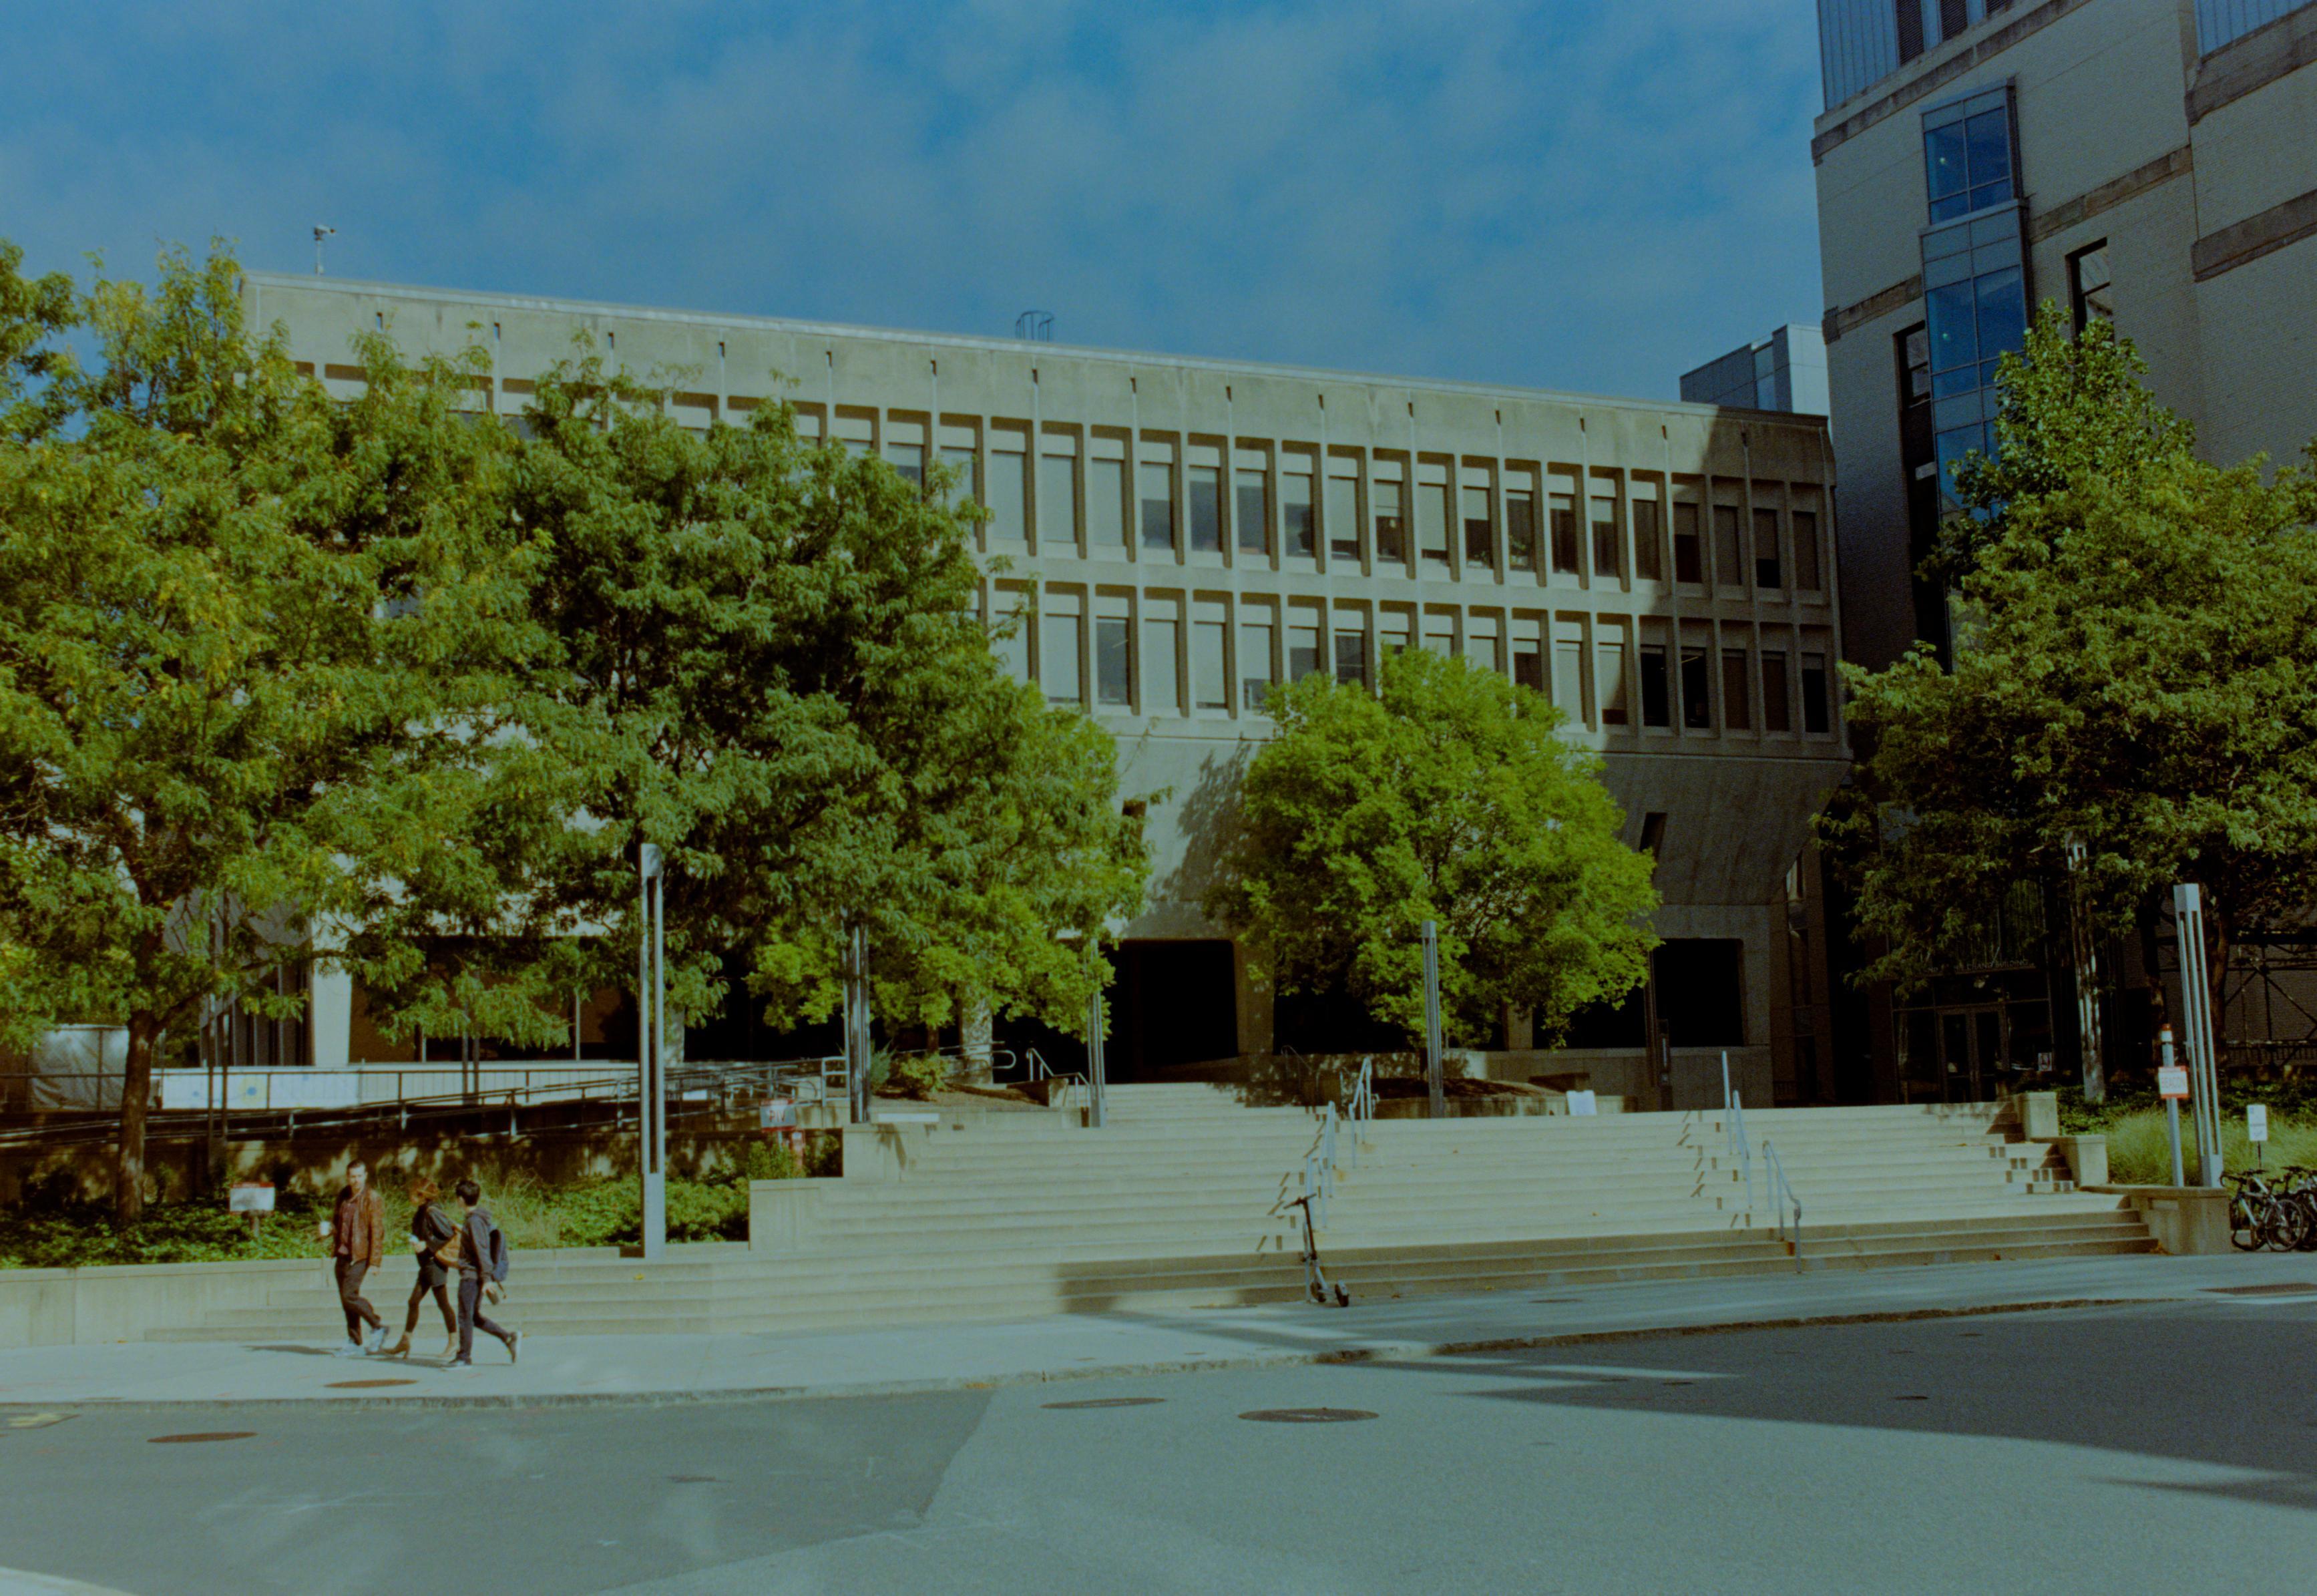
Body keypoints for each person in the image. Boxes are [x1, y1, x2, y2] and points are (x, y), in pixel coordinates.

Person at [446, 1177, 519, 1368]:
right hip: (475, 1275)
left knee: (464, 1316)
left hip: (471, 1276)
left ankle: (464, 1357)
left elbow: (482, 1251)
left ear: (461, 1200)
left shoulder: (474, 1221)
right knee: (474, 1316)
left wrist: (487, 1279)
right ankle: (508, 1338)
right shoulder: (477, 1220)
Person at [383, 1177, 457, 1360]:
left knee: (443, 1303)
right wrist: (415, 1240)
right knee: (413, 1301)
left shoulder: (431, 1211)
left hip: (435, 1264)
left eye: (413, 1195)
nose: (410, 1198)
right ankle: (405, 1340)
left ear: (421, 1195)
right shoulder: (421, 1211)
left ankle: (454, 1341)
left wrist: (427, 1245)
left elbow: (448, 1234)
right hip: (426, 1264)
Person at [324, 1159, 387, 1356]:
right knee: (346, 1301)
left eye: (359, 1176)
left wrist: (376, 1261)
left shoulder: (372, 1198)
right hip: (343, 1254)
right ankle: (355, 1341)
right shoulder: (343, 1195)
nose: (356, 1180)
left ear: (366, 1176)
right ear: (347, 1177)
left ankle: (377, 1326)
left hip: (360, 1254)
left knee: (349, 1294)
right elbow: (338, 1222)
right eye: (353, 1177)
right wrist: (328, 1230)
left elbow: (377, 1232)